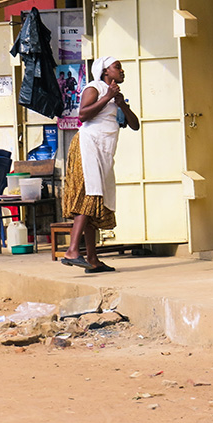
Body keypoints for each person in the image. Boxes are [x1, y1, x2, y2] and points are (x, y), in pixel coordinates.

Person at [61, 56, 139, 273]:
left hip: (104, 151)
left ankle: (93, 260)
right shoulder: (94, 87)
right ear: (105, 71)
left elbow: (134, 125)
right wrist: (107, 97)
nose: (122, 71)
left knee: (96, 202)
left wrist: (120, 102)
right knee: (90, 195)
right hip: (88, 147)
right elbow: (83, 115)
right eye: (117, 67)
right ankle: (72, 251)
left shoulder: (115, 96)